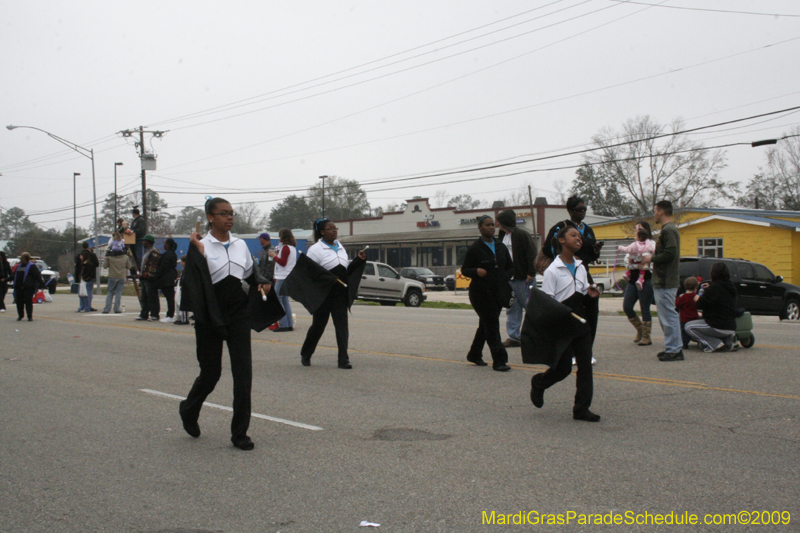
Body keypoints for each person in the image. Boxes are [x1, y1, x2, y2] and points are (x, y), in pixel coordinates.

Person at [179, 197, 270, 451]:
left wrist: (262, 281)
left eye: (231, 214)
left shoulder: (240, 245)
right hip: (210, 315)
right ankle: (188, 409)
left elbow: (252, 273)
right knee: (211, 373)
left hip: (238, 312)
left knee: (243, 374)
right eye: (223, 213)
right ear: (210, 217)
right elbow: (191, 284)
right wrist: (194, 251)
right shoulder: (200, 245)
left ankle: (240, 433)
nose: (229, 217)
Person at [530, 226, 601, 422]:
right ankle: (539, 383)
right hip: (562, 323)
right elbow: (548, 301)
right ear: (561, 240)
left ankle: (581, 409)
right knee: (563, 369)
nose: (578, 239)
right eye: (573, 235)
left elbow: (584, 292)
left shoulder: (581, 266)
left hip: (580, 321)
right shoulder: (553, 269)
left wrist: (591, 294)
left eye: (580, 236)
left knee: (585, 365)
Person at [542, 196, 603, 363]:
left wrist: (595, 252)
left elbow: (590, 256)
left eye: (584, 208)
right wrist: (566, 257)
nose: (582, 211)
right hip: (565, 270)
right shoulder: (561, 227)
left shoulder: (588, 230)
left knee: (590, 310)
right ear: (570, 211)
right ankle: (567, 351)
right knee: (569, 310)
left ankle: (586, 350)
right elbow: (548, 247)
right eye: (579, 209)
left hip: (583, 270)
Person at [300, 218, 366, 369]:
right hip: (324, 294)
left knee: (342, 326)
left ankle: (343, 359)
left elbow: (346, 269)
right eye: (330, 228)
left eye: (335, 228)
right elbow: (309, 272)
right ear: (322, 232)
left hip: (340, 293)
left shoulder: (340, 246)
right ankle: (306, 353)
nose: (334, 230)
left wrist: (358, 260)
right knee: (318, 326)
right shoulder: (315, 249)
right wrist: (326, 278)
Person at [460, 215, 514, 372]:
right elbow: (465, 270)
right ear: (480, 228)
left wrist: (504, 276)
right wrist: (476, 271)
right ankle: (499, 360)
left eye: (493, 225)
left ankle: (474, 354)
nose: (491, 228)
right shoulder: (475, 248)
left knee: (486, 324)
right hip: (480, 293)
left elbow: (510, 267)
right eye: (487, 225)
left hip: (498, 292)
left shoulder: (501, 247)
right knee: (491, 324)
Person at [642, 200, 683, 362]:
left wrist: (651, 258)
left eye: (655, 211)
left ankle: (674, 349)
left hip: (666, 280)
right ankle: (672, 347)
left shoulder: (669, 230)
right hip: (663, 280)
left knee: (668, 316)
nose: (654, 214)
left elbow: (670, 254)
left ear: (661, 212)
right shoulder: (667, 230)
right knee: (666, 315)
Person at [495, 209, 538, 348]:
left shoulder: (521, 235)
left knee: (531, 307)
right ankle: (514, 337)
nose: (497, 224)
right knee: (512, 308)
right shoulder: (503, 236)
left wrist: (531, 272)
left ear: (505, 222)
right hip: (509, 278)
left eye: (499, 221)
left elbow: (531, 253)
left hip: (523, 278)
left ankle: (536, 336)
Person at [685, 263, 739, 353]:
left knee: (688, 327)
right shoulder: (731, 286)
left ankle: (714, 343)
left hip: (717, 325)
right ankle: (727, 339)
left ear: (714, 273)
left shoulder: (714, 288)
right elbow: (720, 294)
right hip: (731, 325)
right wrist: (710, 288)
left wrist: (697, 298)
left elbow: (700, 305)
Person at [620, 222, 656, 346]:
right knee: (627, 306)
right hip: (632, 279)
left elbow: (652, 261)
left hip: (646, 279)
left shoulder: (651, 244)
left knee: (644, 308)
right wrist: (636, 265)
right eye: (636, 228)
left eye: (640, 228)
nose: (637, 230)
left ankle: (646, 336)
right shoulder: (634, 245)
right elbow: (626, 261)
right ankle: (640, 329)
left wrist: (644, 264)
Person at [270, 228, 298, 332]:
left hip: (283, 276)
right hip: (288, 276)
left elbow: (282, 262)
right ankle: (289, 323)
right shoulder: (292, 247)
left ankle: (283, 324)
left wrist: (274, 256)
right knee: (285, 300)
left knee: (278, 299)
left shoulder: (286, 248)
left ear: (282, 236)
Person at [617, 225, 656, 290]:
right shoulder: (649, 245)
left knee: (642, 265)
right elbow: (655, 250)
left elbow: (626, 249)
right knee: (642, 267)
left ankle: (628, 273)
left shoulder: (634, 245)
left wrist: (620, 248)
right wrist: (637, 265)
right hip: (634, 277)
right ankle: (640, 279)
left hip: (647, 278)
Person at [135, 234, 161, 321]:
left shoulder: (154, 253)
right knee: (144, 298)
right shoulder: (147, 252)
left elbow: (152, 268)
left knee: (152, 298)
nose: (143, 242)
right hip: (144, 279)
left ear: (148, 242)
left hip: (150, 279)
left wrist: (147, 275)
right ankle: (144, 314)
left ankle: (154, 314)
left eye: (144, 241)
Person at [13, 252, 44, 322]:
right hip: (19, 287)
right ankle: (20, 315)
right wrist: (6, 279)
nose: (21, 260)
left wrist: (42, 284)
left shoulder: (32, 266)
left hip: (28, 287)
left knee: (28, 301)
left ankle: (29, 316)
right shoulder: (19, 266)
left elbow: (37, 276)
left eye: (22, 258)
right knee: (19, 302)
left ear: (26, 258)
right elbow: (14, 275)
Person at [102, 248, 133, 314]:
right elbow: (129, 266)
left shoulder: (109, 257)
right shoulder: (125, 257)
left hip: (112, 276)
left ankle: (107, 309)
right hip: (121, 276)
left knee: (110, 292)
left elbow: (104, 266)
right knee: (118, 293)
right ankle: (116, 309)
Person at [156, 238, 179, 323]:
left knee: (169, 297)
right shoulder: (171, 254)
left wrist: (157, 275)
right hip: (169, 276)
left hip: (167, 278)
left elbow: (163, 267)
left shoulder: (168, 255)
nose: (164, 245)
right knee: (169, 297)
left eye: (165, 244)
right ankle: (170, 314)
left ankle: (170, 315)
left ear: (168, 245)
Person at [676, 277, 701, 349]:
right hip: (695, 319)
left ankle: (684, 344)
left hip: (684, 319)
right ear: (696, 287)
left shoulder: (682, 297)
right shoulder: (696, 297)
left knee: (684, 333)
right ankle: (699, 341)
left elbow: (677, 305)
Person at [75, 242, 99, 313]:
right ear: (88, 247)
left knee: (82, 292)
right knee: (88, 292)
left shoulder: (79, 256)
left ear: (82, 247)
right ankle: (87, 306)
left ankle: (83, 306)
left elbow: (77, 267)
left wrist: (76, 277)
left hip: (82, 277)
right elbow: (97, 264)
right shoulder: (93, 255)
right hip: (91, 276)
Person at [173, 255, 190, 325]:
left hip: (185, 289)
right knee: (179, 303)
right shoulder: (184, 270)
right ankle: (180, 318)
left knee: (183, 304)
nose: (181, 263)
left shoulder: (188, 270)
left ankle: (184, 319)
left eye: (182, 262)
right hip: (181, 288)